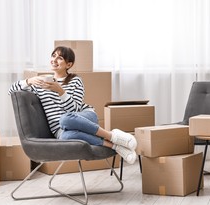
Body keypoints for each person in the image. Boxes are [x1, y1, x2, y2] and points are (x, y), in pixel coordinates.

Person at [8, 46, 137, 164]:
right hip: (60, 129)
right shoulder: (40, 83)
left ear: (68, 64)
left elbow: (74, 109)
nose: (54, 60)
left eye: (60, 58)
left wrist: (60, 91)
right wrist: (28, 81)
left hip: (84, 117)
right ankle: (115, 146)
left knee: (66, 119)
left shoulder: (75, 81)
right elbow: (11, 91)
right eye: (53, 56)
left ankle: (112, 135)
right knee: (66, 136)